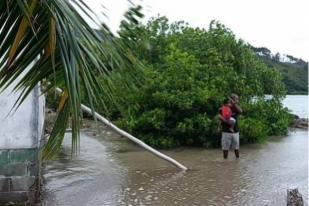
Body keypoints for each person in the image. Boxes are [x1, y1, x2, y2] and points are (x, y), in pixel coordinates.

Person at [219, 94, 243, 159]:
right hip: (226, 131)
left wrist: (234, 104)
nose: (237, 100)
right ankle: (225, 161)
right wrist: (219, 125)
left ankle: (237, 160)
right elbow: (220, 117)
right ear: (231, 99)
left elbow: (241, 111)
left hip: (235, 131)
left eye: (237, 99)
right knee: (225, 148)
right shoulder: (224, 107)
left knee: (236, 148)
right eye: (236, 99)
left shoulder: (236, 108)